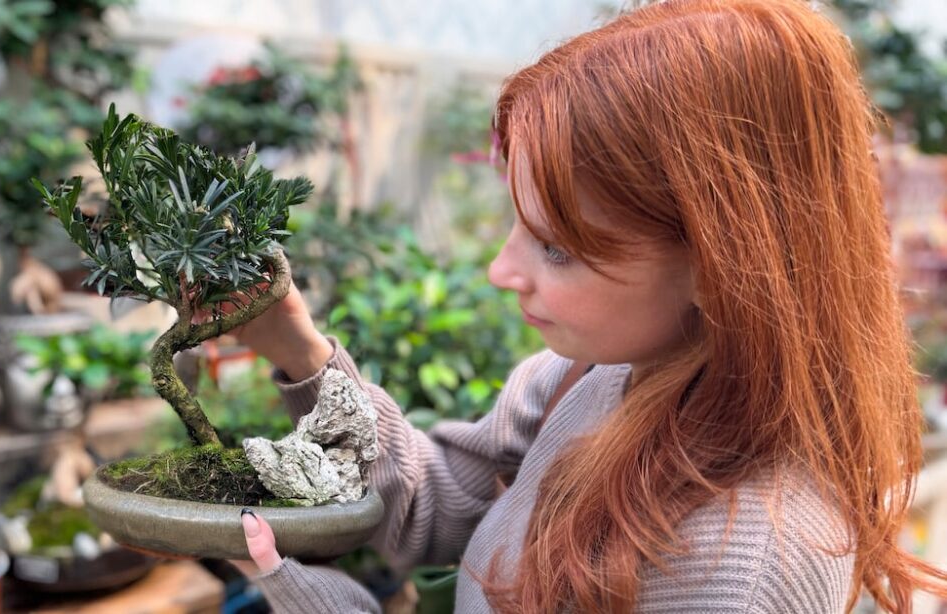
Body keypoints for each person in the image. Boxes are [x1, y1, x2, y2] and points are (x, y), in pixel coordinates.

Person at [226, 0, 947, 611]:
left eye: (557, 248)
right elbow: (435, 505)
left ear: (723, 265)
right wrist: (299, 349)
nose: (501, 269)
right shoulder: (586, 375)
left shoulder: (743, 567)